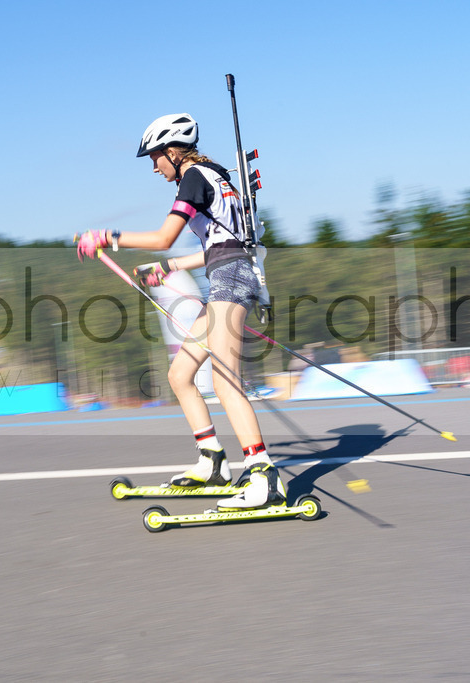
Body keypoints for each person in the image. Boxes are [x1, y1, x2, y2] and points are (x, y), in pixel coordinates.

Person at [76, 112, 283, 509]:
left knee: (224, 379)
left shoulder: (193, 177)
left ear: (174, 150)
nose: (154, 167)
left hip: (230, 280)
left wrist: (106, 235)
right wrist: (168, 267)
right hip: (228, 272)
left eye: (156, 156)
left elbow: (164, 236)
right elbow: (224, 244)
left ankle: (263, 475)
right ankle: (212, 461)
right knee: (181, 374)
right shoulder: (216, 176)